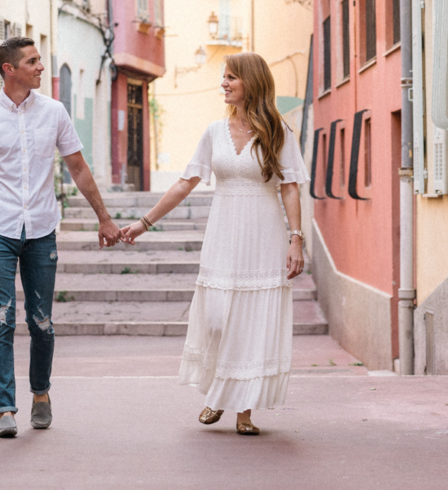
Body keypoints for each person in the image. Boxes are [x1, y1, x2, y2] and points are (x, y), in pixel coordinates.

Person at [122, 52, 308, 436]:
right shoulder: (213, 132)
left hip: (263, 233)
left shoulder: (279, 133)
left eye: (230, 77)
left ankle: (244, 410)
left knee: (253, 320)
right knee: (219, 316)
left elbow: (289, 189)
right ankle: (217, 392)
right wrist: (143, 223)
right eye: (224, 77)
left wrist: (296, 239)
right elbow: (184, 183)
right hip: (224, 233)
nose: (223, 83)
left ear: (250, 82)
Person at [0, 37, 126, 439]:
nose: (40, 67)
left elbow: (79, 169)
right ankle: (4, 410)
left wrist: (104, 218)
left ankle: (41, 393)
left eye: (39, 59)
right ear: (8, 69)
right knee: (1, 320)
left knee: (42, 322)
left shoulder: (54, 112)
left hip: (41, 230)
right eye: (32, 61)